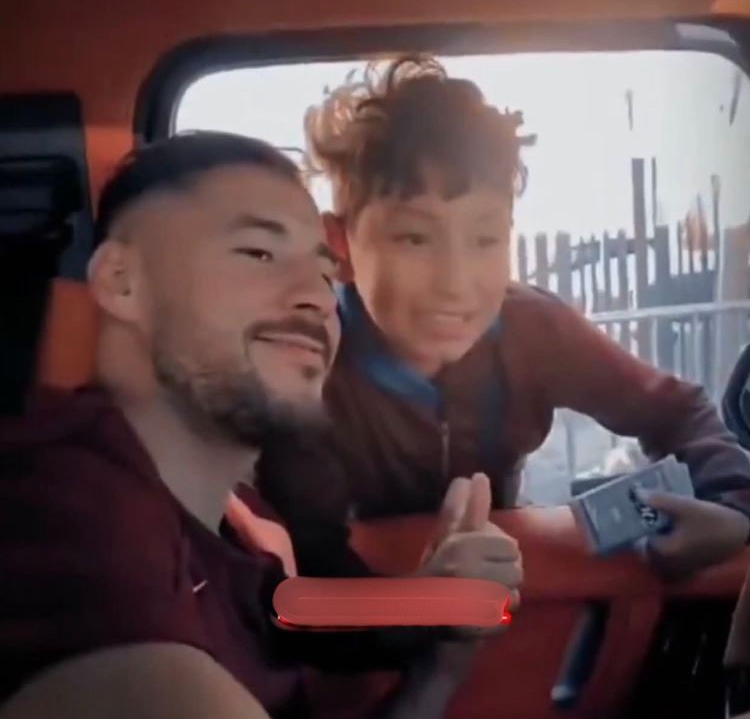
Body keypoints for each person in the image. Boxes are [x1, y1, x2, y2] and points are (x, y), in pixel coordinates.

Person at [0, 132, 522, 719]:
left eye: (324, 275)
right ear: (122, 280)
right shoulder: (60, 509)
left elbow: (298, 614)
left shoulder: (240, 523)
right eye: (258, 254)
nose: (317, 300)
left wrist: (440, 652)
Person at [248, 55, 750, 582]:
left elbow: (675, 410)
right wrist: (422, 607)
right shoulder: (313, 362)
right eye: (414, 238)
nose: (455, 281)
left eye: (486, 238)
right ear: (339, 245)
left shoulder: (533, 330)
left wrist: (734, 510)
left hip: (508, 590)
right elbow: (304, 558)